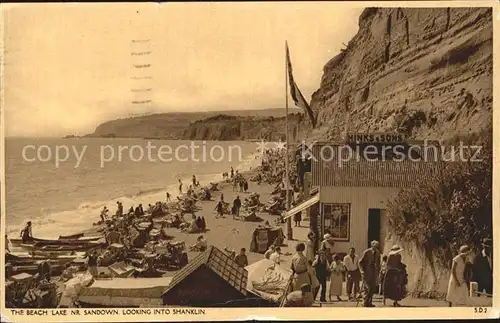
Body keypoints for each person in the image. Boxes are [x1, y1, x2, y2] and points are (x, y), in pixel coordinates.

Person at [359, 240, 381, 307]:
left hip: (374, 273)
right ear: (372, 245)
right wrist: (362, 271)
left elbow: (378, 263)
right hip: (366, 272)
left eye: (377, 246)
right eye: (374, 246)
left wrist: (378, 270)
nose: (375, 247)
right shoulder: (366, 252)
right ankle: (365, 302)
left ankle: (369, 302)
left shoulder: (378, 253)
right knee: (367, 288)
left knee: (372, 288)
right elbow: (360, 262)